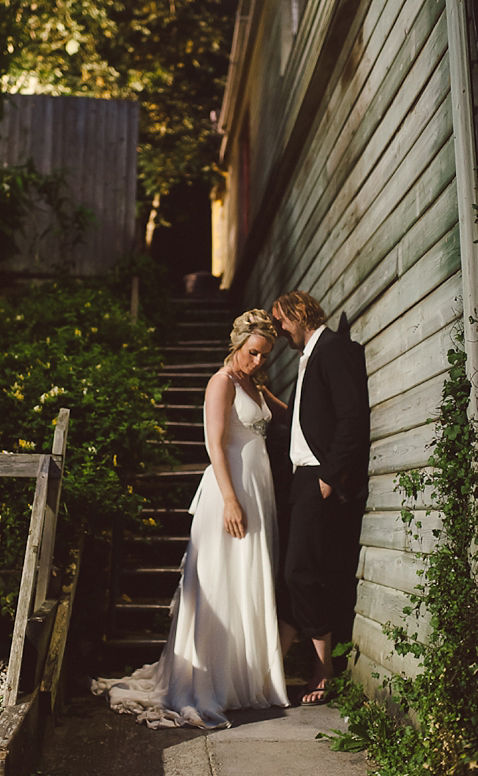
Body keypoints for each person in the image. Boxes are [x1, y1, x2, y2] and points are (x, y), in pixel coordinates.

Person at [92, 309, 289, 728]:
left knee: (247, 583)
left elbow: (288, 412)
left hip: (259, 492)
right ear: (237, 345)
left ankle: (242, 679)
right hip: (229, 494)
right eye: (253, 353)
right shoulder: (220, 383)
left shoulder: (252, 382)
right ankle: (207, 683)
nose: (258, 361)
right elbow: (215, 446)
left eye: (265, 356)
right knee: (221, 586)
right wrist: (231, 499)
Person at [269, 290, 370, 707]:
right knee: (290, 577)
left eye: (280, 321)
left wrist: (330, 477)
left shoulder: (334, 349)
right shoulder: (307, 356)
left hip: (319, 479)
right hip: (300, 481)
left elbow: (352, 416)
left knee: (301, 573)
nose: (279, 330)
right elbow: (301, 420)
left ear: (298, 313)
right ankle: (274, 668)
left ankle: (324, 671)